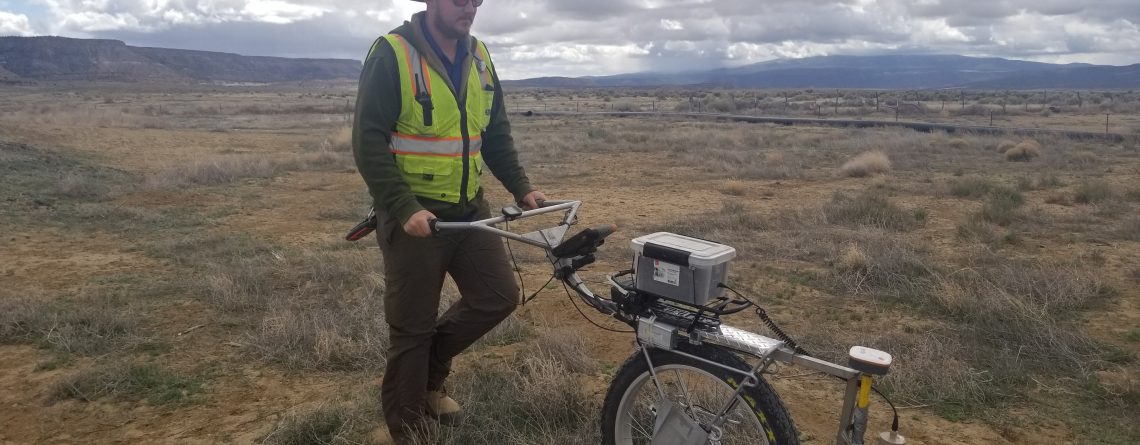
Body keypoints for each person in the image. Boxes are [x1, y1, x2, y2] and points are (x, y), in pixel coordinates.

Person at [351, 0, 545, 442]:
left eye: (477, 0)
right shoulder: (392, 53)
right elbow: (367, 141)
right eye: (461, 0)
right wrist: (403, 207)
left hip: (469, 210)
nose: (470, 8)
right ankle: (407, 427)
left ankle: (424, 380)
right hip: (414, 215)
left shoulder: (479, 56)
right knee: (411, 326)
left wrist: (521, 186)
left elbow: (494, 131)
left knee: (497, 297)